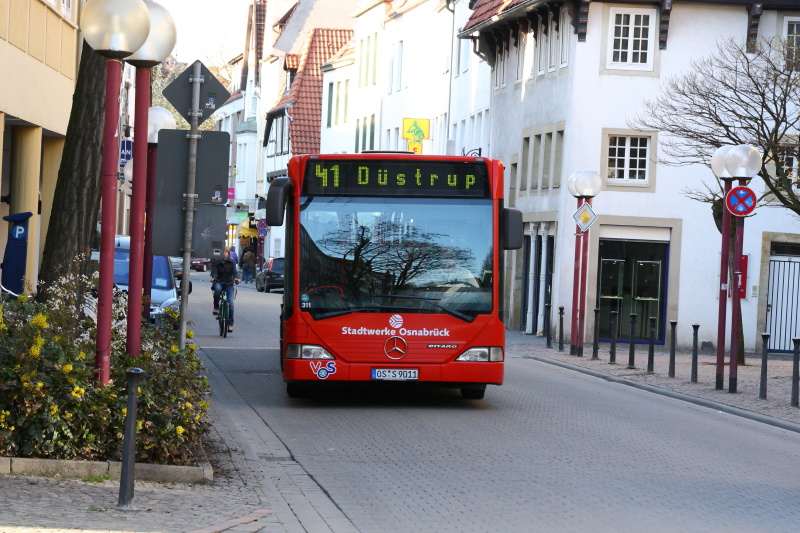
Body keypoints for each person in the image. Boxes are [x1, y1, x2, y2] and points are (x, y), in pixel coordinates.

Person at [211, 247, 240, 333]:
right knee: (217, 290)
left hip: (228, 283)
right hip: (219, 281)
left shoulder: (232, 262)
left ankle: (230, 324)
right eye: (223, 252)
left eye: (226, 252)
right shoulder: (217, 262)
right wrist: (214, 278)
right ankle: (216, 308)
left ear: (228, 253)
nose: (224, 253)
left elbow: (234, 272)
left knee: (231, 304)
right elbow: (214, 272)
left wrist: (237, 278)